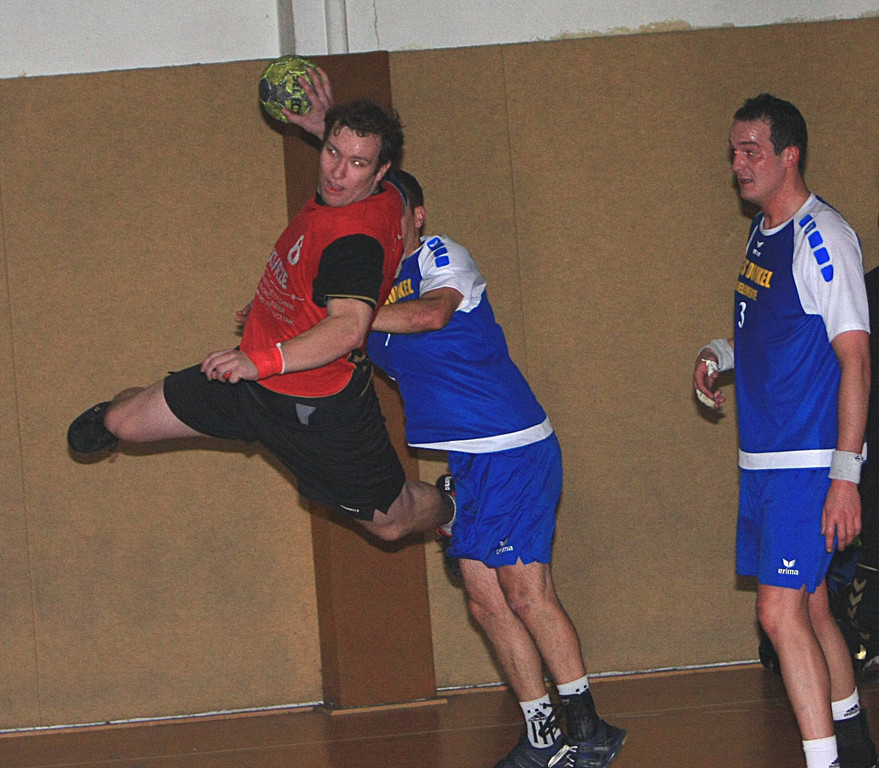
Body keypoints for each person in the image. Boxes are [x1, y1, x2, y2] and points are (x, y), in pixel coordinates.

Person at [67, 96, 452, 542]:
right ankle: (116, 419)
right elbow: (359, 165)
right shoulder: (386, 192)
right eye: (332, 151)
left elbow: (349, 328)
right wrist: (319, 123)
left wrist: (258, 362)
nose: (336, 173)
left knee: (393, 523)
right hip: (252, 382)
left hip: (320, 409)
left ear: (380, 171)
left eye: (357, 163)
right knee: (122, 423)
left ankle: (452, 509)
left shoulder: (355, 244)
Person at [366, 169, 627, 768]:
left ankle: (588, 729)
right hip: (469, 456)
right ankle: (543, 735)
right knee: (484, 602)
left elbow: (432, 315)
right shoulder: (373, 290)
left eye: (391, 210)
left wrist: (350, 319)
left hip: (512, 445)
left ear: (416, 216)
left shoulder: (439, 256)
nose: (381, 223)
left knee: (526, 592)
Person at [693, 93, 876, 768]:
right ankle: (853, 744)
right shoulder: (763, 232)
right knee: (811, 608)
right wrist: (720, 353)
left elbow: (854, 358)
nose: (738, 164)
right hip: (763, 463)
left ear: (788, 155)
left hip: (806, 463)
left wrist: (844, 476)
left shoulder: (822, 236)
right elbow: (775, 333)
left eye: (751, 151)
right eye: (733, 151)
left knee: (777, 615)